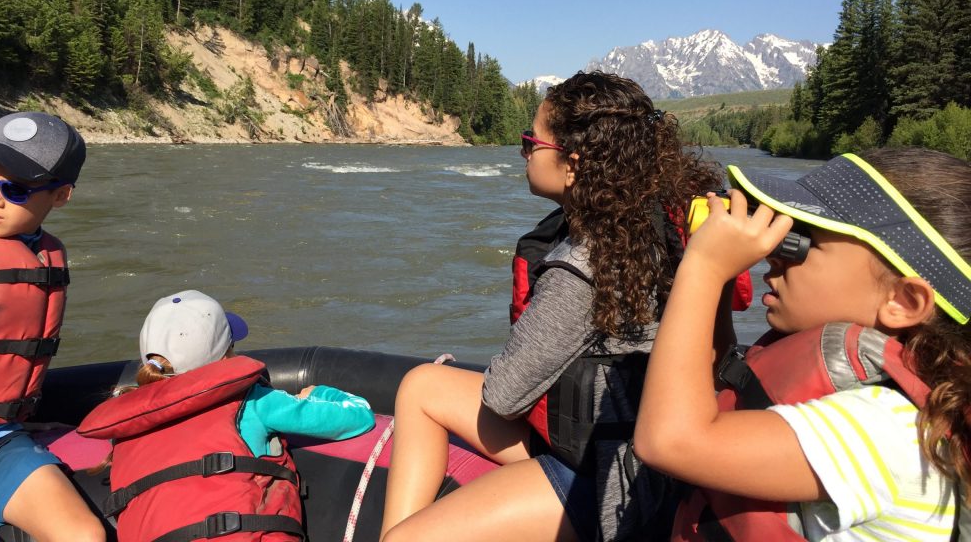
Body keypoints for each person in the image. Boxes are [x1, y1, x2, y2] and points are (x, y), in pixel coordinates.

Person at [380, 71, 728, 542]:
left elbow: (503, 397)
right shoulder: (662, 229)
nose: (524, 152)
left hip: (613, 486)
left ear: (573, 165)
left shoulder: (582, 268)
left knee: (406, 539)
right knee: (422, 385)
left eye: (531, 142)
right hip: (636, 455)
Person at [635, 147, 971, 541]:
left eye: (803, 240)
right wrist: (724, 273)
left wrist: (705, 267)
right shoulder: (884, 389)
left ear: (903, 301)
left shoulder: (890, 432)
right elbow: (718, 378)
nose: (775, 257)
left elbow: (670, 441)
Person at [78, 289, 376, 542]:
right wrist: (319, 394)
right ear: (225, 354)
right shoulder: (254, 401)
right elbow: (358, 417)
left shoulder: (128, 427)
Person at [0, 111, 103, 542]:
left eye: (15, 189)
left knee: (85, 535)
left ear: (61, 196)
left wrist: (12, 411)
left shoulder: (45, 252)